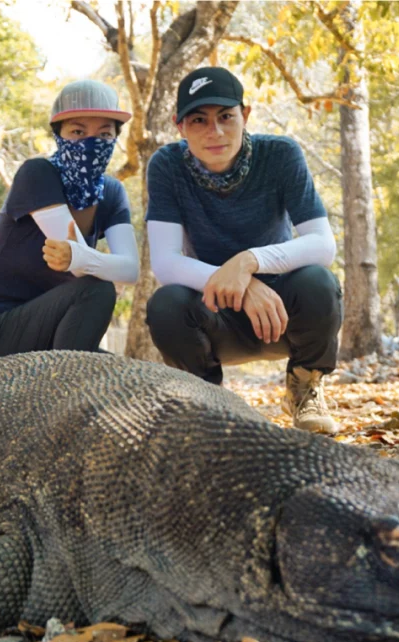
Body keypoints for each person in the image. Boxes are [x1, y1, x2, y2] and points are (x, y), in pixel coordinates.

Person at [145, 66, 342, 434]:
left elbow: (323, 244)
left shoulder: (281, 155)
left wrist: (249, 262)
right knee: (166, 303)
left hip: (283, 312)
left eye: (225, 117)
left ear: (245, 115)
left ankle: (304, 386)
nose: (214, 131)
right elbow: (165, 262)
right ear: (179, 126)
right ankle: (207, 401)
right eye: (199, 120)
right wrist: (242, 283)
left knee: (319, 281)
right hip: (216, 315)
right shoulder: (167, 166)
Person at [0, 80, 139, 366]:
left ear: (116, 138)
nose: (90, 144)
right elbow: (89, 273)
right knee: (97, 289)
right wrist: (86, 260)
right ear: (59, 135)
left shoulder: (112, 192)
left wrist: (81, 257)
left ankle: (72, 376)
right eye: (78, 132)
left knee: (132, 372)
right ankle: (66, 387)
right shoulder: (37, 174)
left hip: (58, 331)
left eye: (104, 134)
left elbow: (130, 271)